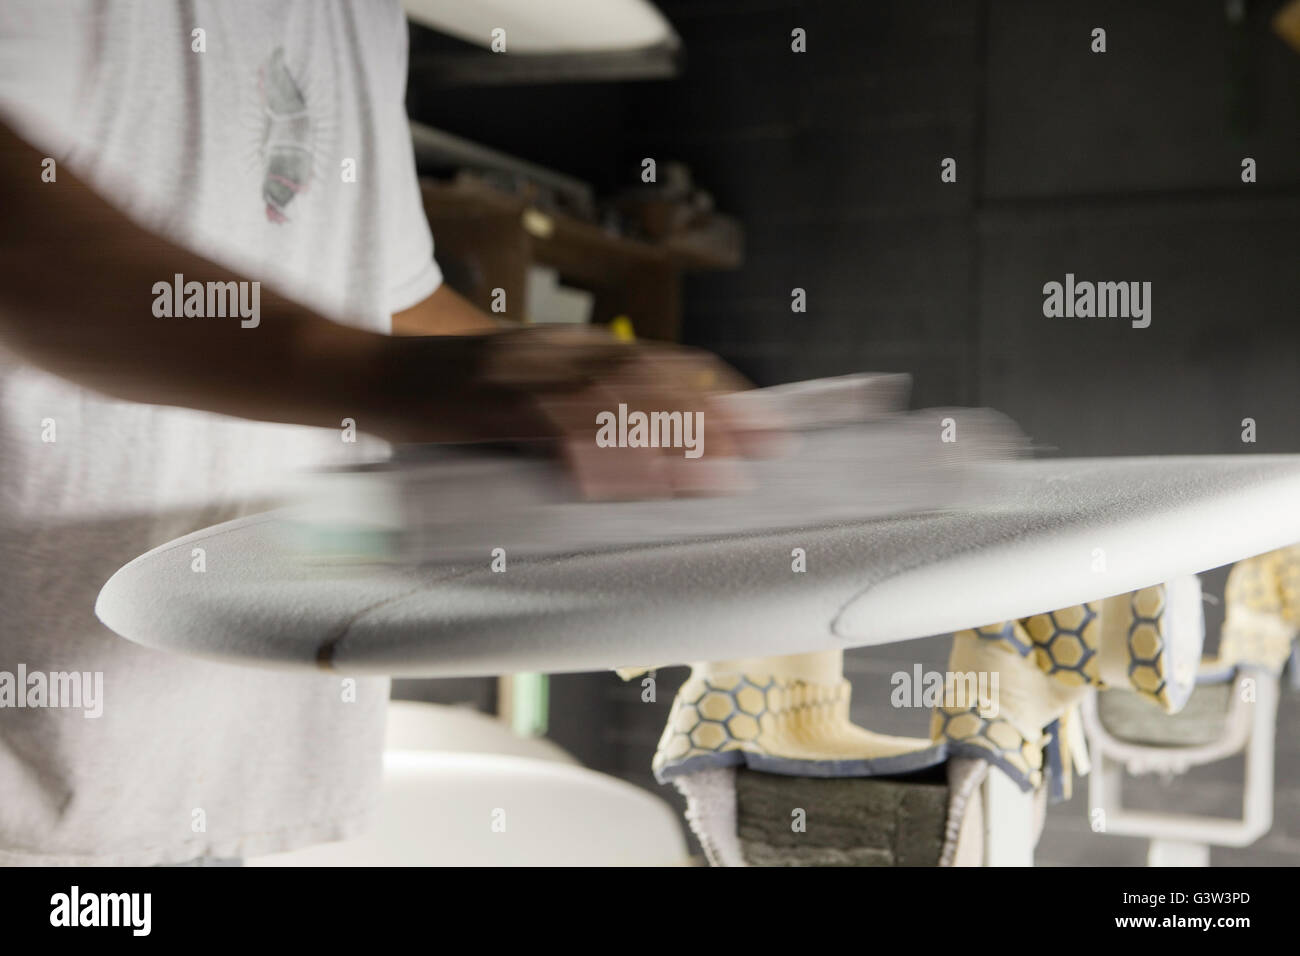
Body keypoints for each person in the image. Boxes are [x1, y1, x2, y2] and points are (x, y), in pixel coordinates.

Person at [0, 0, 763, 865]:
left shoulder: (363, 16)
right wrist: (438, 385)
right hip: (27, 777)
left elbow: (390, 299)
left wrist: (590, 383)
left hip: (219, 761)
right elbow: (22, 243)